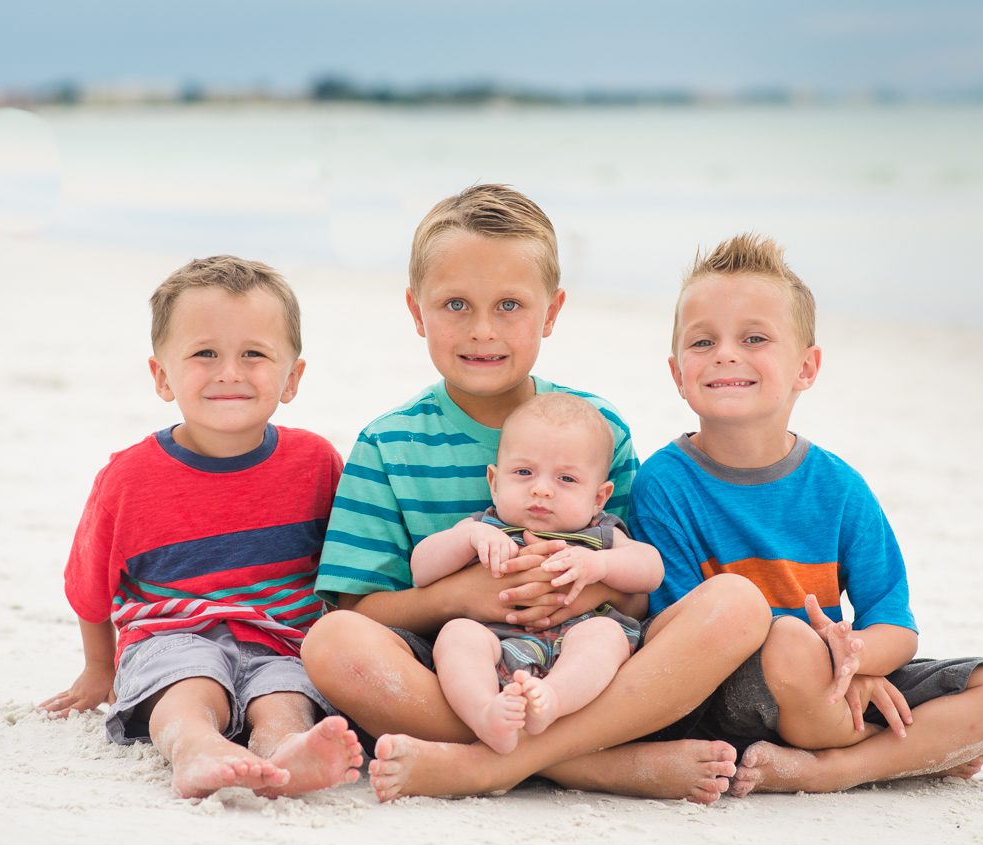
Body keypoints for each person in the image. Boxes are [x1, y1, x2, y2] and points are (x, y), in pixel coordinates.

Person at [300, 183, 773, 805]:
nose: (482, 331)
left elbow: (641, 593)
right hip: (457, 669)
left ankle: (496, 763)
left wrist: (581, 579)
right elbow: (354, 611)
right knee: (329, 645)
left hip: (586, 659)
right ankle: (593, 766)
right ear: (416, 310)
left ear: (551, 311)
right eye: (455, 305)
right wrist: (467, 594)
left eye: (510, 306)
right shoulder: (389, 445)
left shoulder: (599, 428)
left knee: (737, 603)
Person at [627, 232, 983, 794]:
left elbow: (894, 623)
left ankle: (836, 768)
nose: (726, 354)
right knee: (792, 644)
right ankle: (900, 753)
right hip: (724, 696)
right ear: (677, 373)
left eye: (754, 338)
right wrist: (819, 657)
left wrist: (856, 659)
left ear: (806, 367)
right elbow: (674, 638)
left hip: (835, 685)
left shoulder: (839, 487)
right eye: (703, 342)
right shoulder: (664, 483)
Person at [39, 256, 363, 799]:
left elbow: (344, 570)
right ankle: (197, 749)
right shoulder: (130, 477)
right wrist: (98, 667)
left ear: (293, 378)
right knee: (188, 686)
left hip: (282, 640)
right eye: (204, 353)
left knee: (285, 695)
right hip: (170, 637)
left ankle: (284, 752)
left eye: (254, 354)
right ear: (163, 376)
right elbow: (90, 589)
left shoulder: (315, 462)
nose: (229, 372)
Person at [410, 393, 663, 753]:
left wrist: (599, 564)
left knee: (605, 635)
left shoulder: (601, 533)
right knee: (456, 635)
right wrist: (467, 538)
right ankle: (485, 713)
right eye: (524, 472)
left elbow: (651, 569)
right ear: (494, 482)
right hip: (494, 645)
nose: (541, 489)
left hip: (575, 645)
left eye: (566, 479)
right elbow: (421, 569)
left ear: (599, 497)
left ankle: (552, 700)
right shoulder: (484, 527)